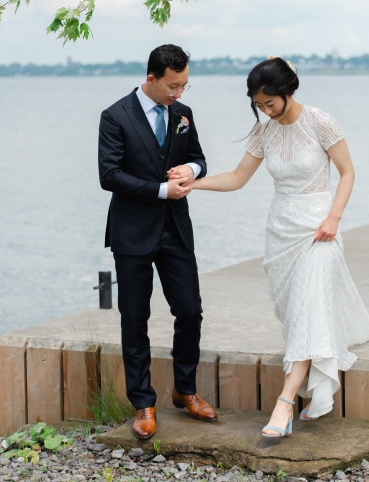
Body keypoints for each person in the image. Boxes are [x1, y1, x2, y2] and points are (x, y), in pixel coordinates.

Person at [185, 57, 369, 438]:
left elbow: (348, 172)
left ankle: (285, 402)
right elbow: (238, 178)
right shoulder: (264, 131)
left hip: (319, 227)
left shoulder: (320, 121)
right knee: (297, 313)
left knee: (306, 310)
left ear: (289, 91)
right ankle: (303, 390)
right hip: (281, 229)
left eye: (270, 103)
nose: (266, 110)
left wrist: (334, 218)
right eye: (259, 105)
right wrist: (193, 185)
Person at [97, 44, 218, 441]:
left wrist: (192, 168)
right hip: (132, 231)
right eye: (172, 86)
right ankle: (143, 403)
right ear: (151, 79)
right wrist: (163, 190)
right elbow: (109, 175)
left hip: (176, 230)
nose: (178, 93)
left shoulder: (183, 114)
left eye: (184, 85)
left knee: (190, 310)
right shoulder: (115, 116)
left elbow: (200, 157)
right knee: (135, 318)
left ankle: (185, 390)